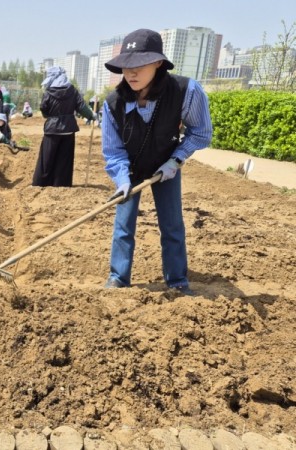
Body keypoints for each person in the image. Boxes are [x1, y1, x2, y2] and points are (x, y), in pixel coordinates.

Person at [101, 28, 213, 295]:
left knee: (172, 223)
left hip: (166, 165)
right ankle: (118, 277)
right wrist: (122, 179)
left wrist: (176, 160)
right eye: (126, 66)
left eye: (139, 64)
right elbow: (114, 151)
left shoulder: (185, 91)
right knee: (123, 224)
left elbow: (201, 132)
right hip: (130, 166)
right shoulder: (113, 103)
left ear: (158, 63)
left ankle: (177, 280)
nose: (131, 73)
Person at [31, 66, 97, 187]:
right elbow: (82, 108)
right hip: (68, 129)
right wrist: (91, 116)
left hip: (52, 129)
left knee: (46, 159)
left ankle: (40, 183)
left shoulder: (49, 91)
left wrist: (50, 116)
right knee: (64, 160)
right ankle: (61, 184)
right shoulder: (72, 90)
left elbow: (43, 108)